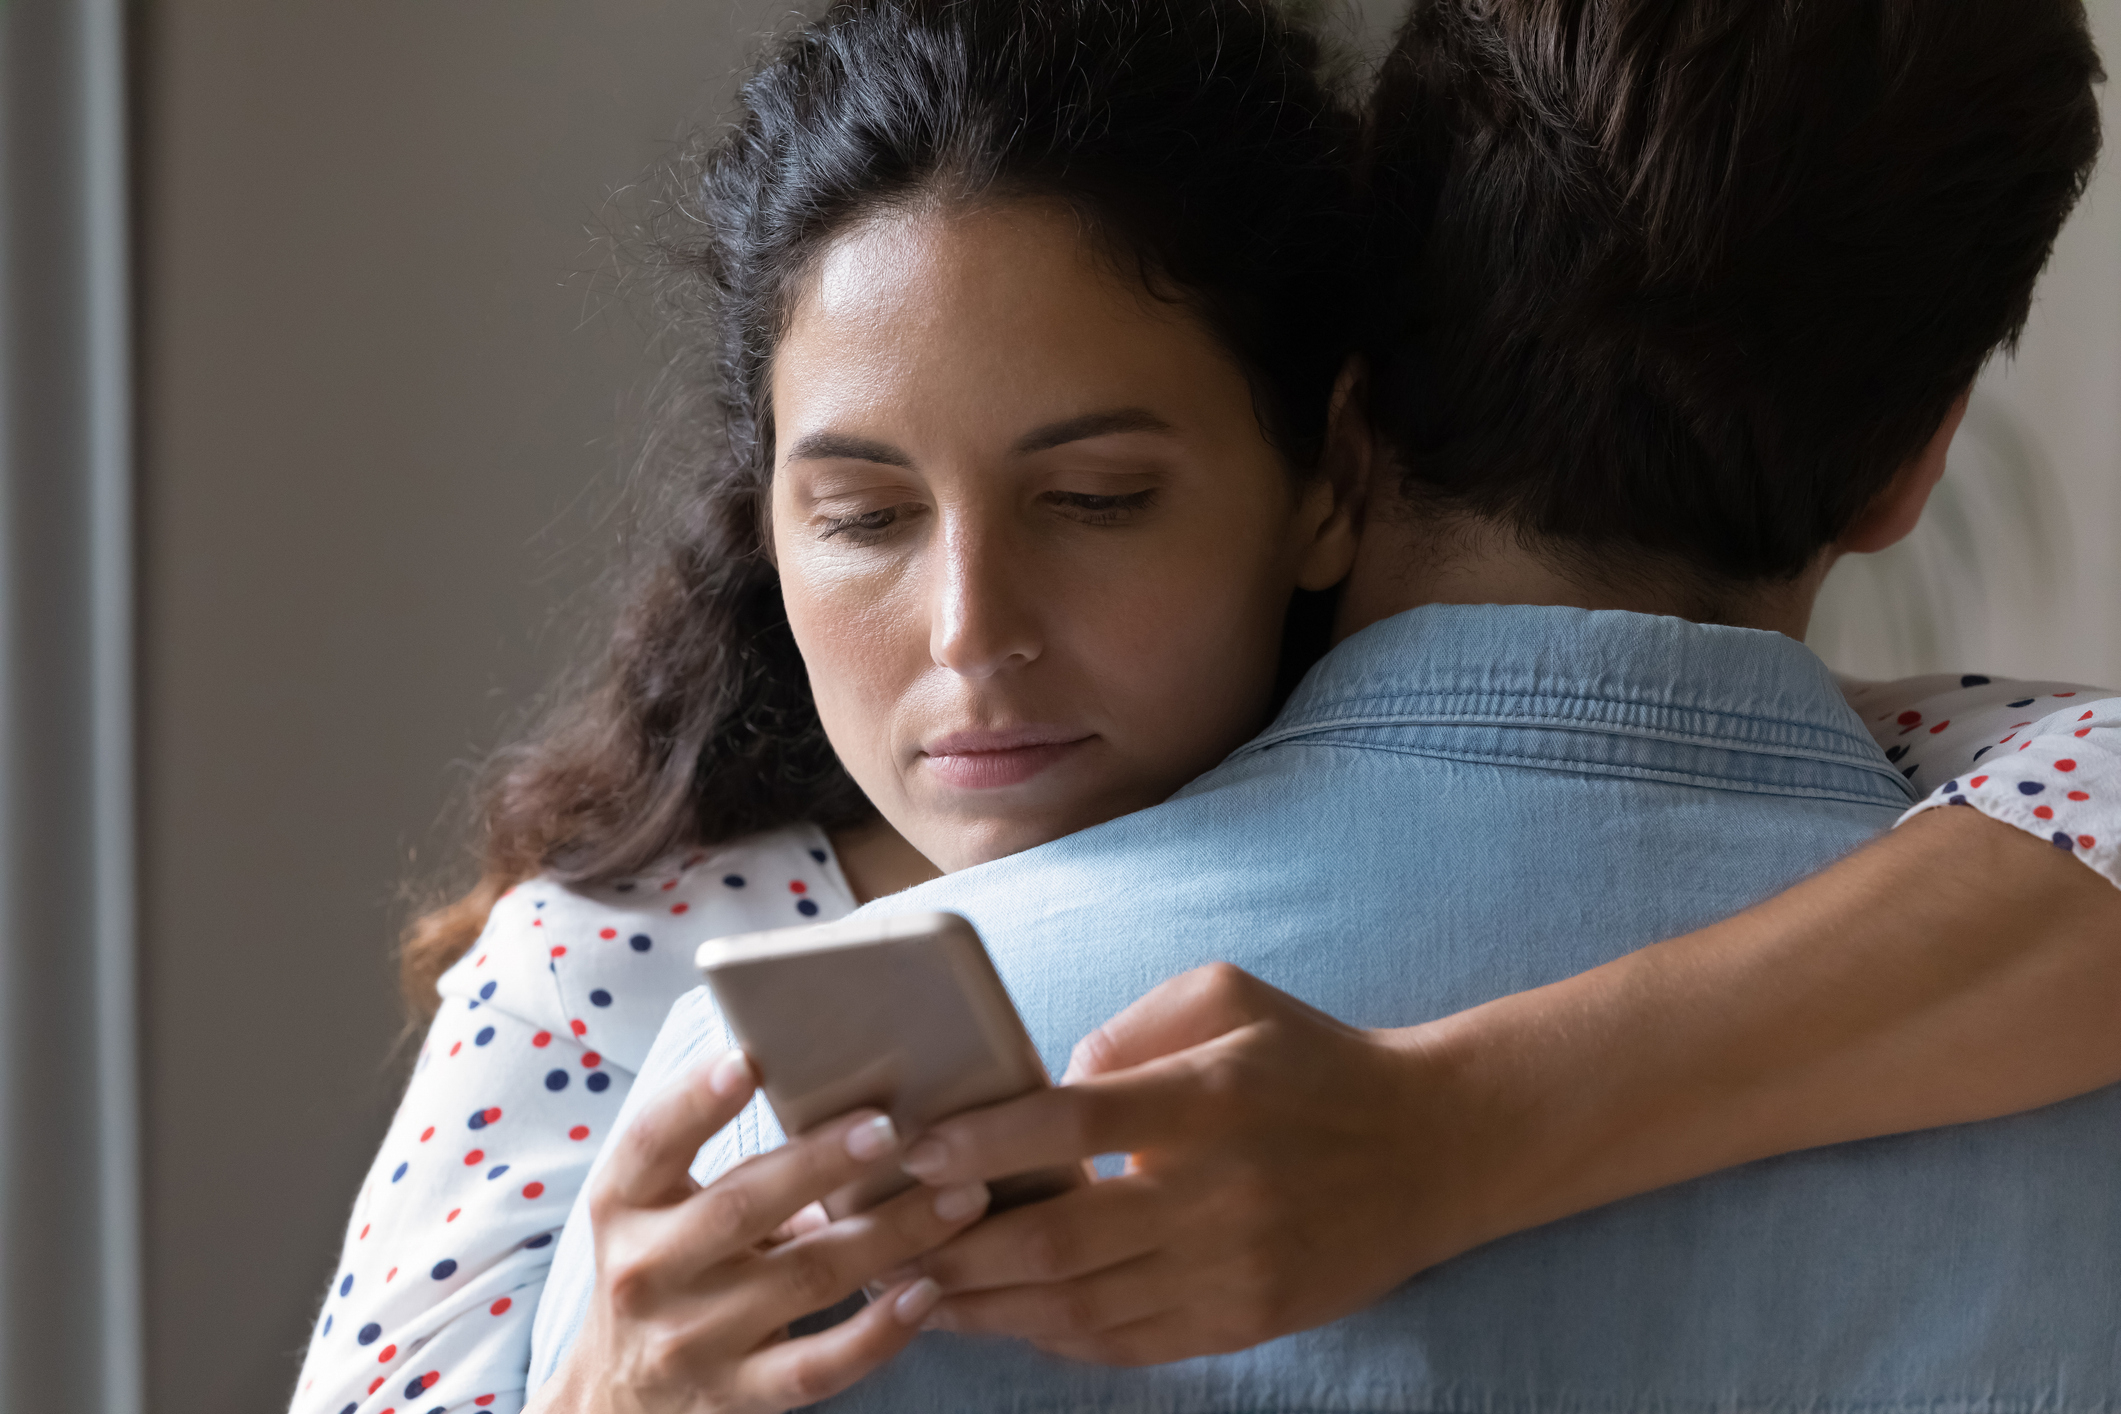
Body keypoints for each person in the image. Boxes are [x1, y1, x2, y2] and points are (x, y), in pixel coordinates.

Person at [287, 1, 2118, 1411]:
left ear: (1328, 460)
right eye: (859, 515)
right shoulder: (633, 996)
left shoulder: (1970, 829)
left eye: (1099, 500)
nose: (971, 632)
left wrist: (1446, 1127)